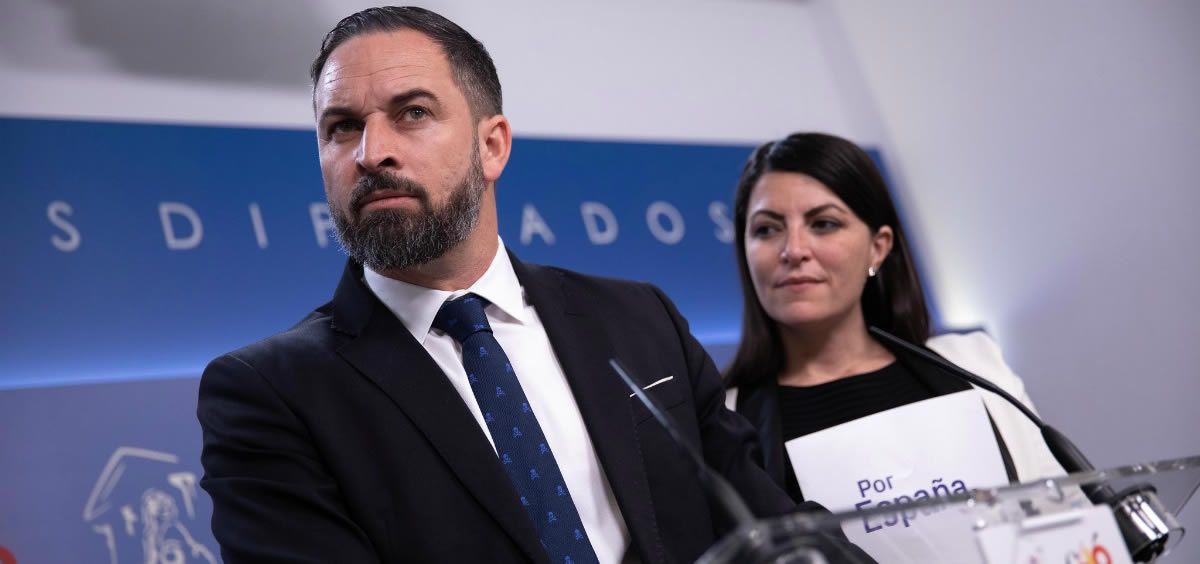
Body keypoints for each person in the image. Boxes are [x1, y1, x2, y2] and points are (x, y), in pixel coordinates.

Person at [197, 8, 870, 564]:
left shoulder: (639, 318)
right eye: (342, 127)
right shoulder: (269, 394)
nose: (372, 153)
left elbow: (773, 526)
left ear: (492, 145)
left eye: (412, 113)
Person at [723, 132, 1065, 503]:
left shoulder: (976, 365)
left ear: (878, 247)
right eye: (767, 229)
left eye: (823, 224)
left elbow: (1066, 511)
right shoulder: (724, 420)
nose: (793, 250)